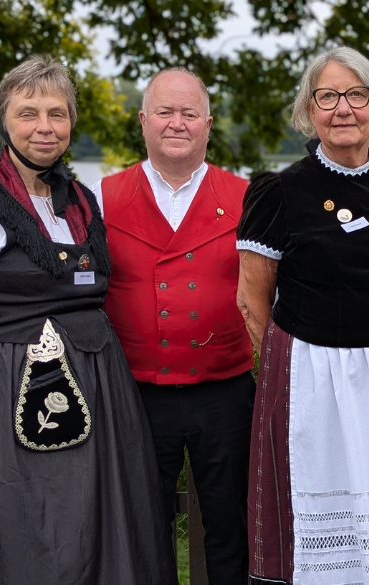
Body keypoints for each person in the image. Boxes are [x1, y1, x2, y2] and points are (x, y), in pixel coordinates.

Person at [0, 55, 175, 584]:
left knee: (100, 526)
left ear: (71, 123)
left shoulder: (80, 201)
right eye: (28, 113)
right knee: (31, 533)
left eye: (57, 114)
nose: (44, 127)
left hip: (101, 389)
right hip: (15, 400)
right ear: (5, 121)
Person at [235, 46, 369, 585]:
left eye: (356, 95)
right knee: (326, 511)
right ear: (309, 111)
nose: (342, 109)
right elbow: (251, 299)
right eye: (326, 97)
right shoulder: (281, 191)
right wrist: (288, 370)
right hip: (316, 378)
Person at [88, 68, 255, 583]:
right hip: (135, 392)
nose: (176, 123)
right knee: (140, 525)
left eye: (188, 113)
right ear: (143, 121)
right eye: (164, 111)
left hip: (225, 389)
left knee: (233, 525)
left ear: (208, 123)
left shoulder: (249, 196)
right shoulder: (99, 197)